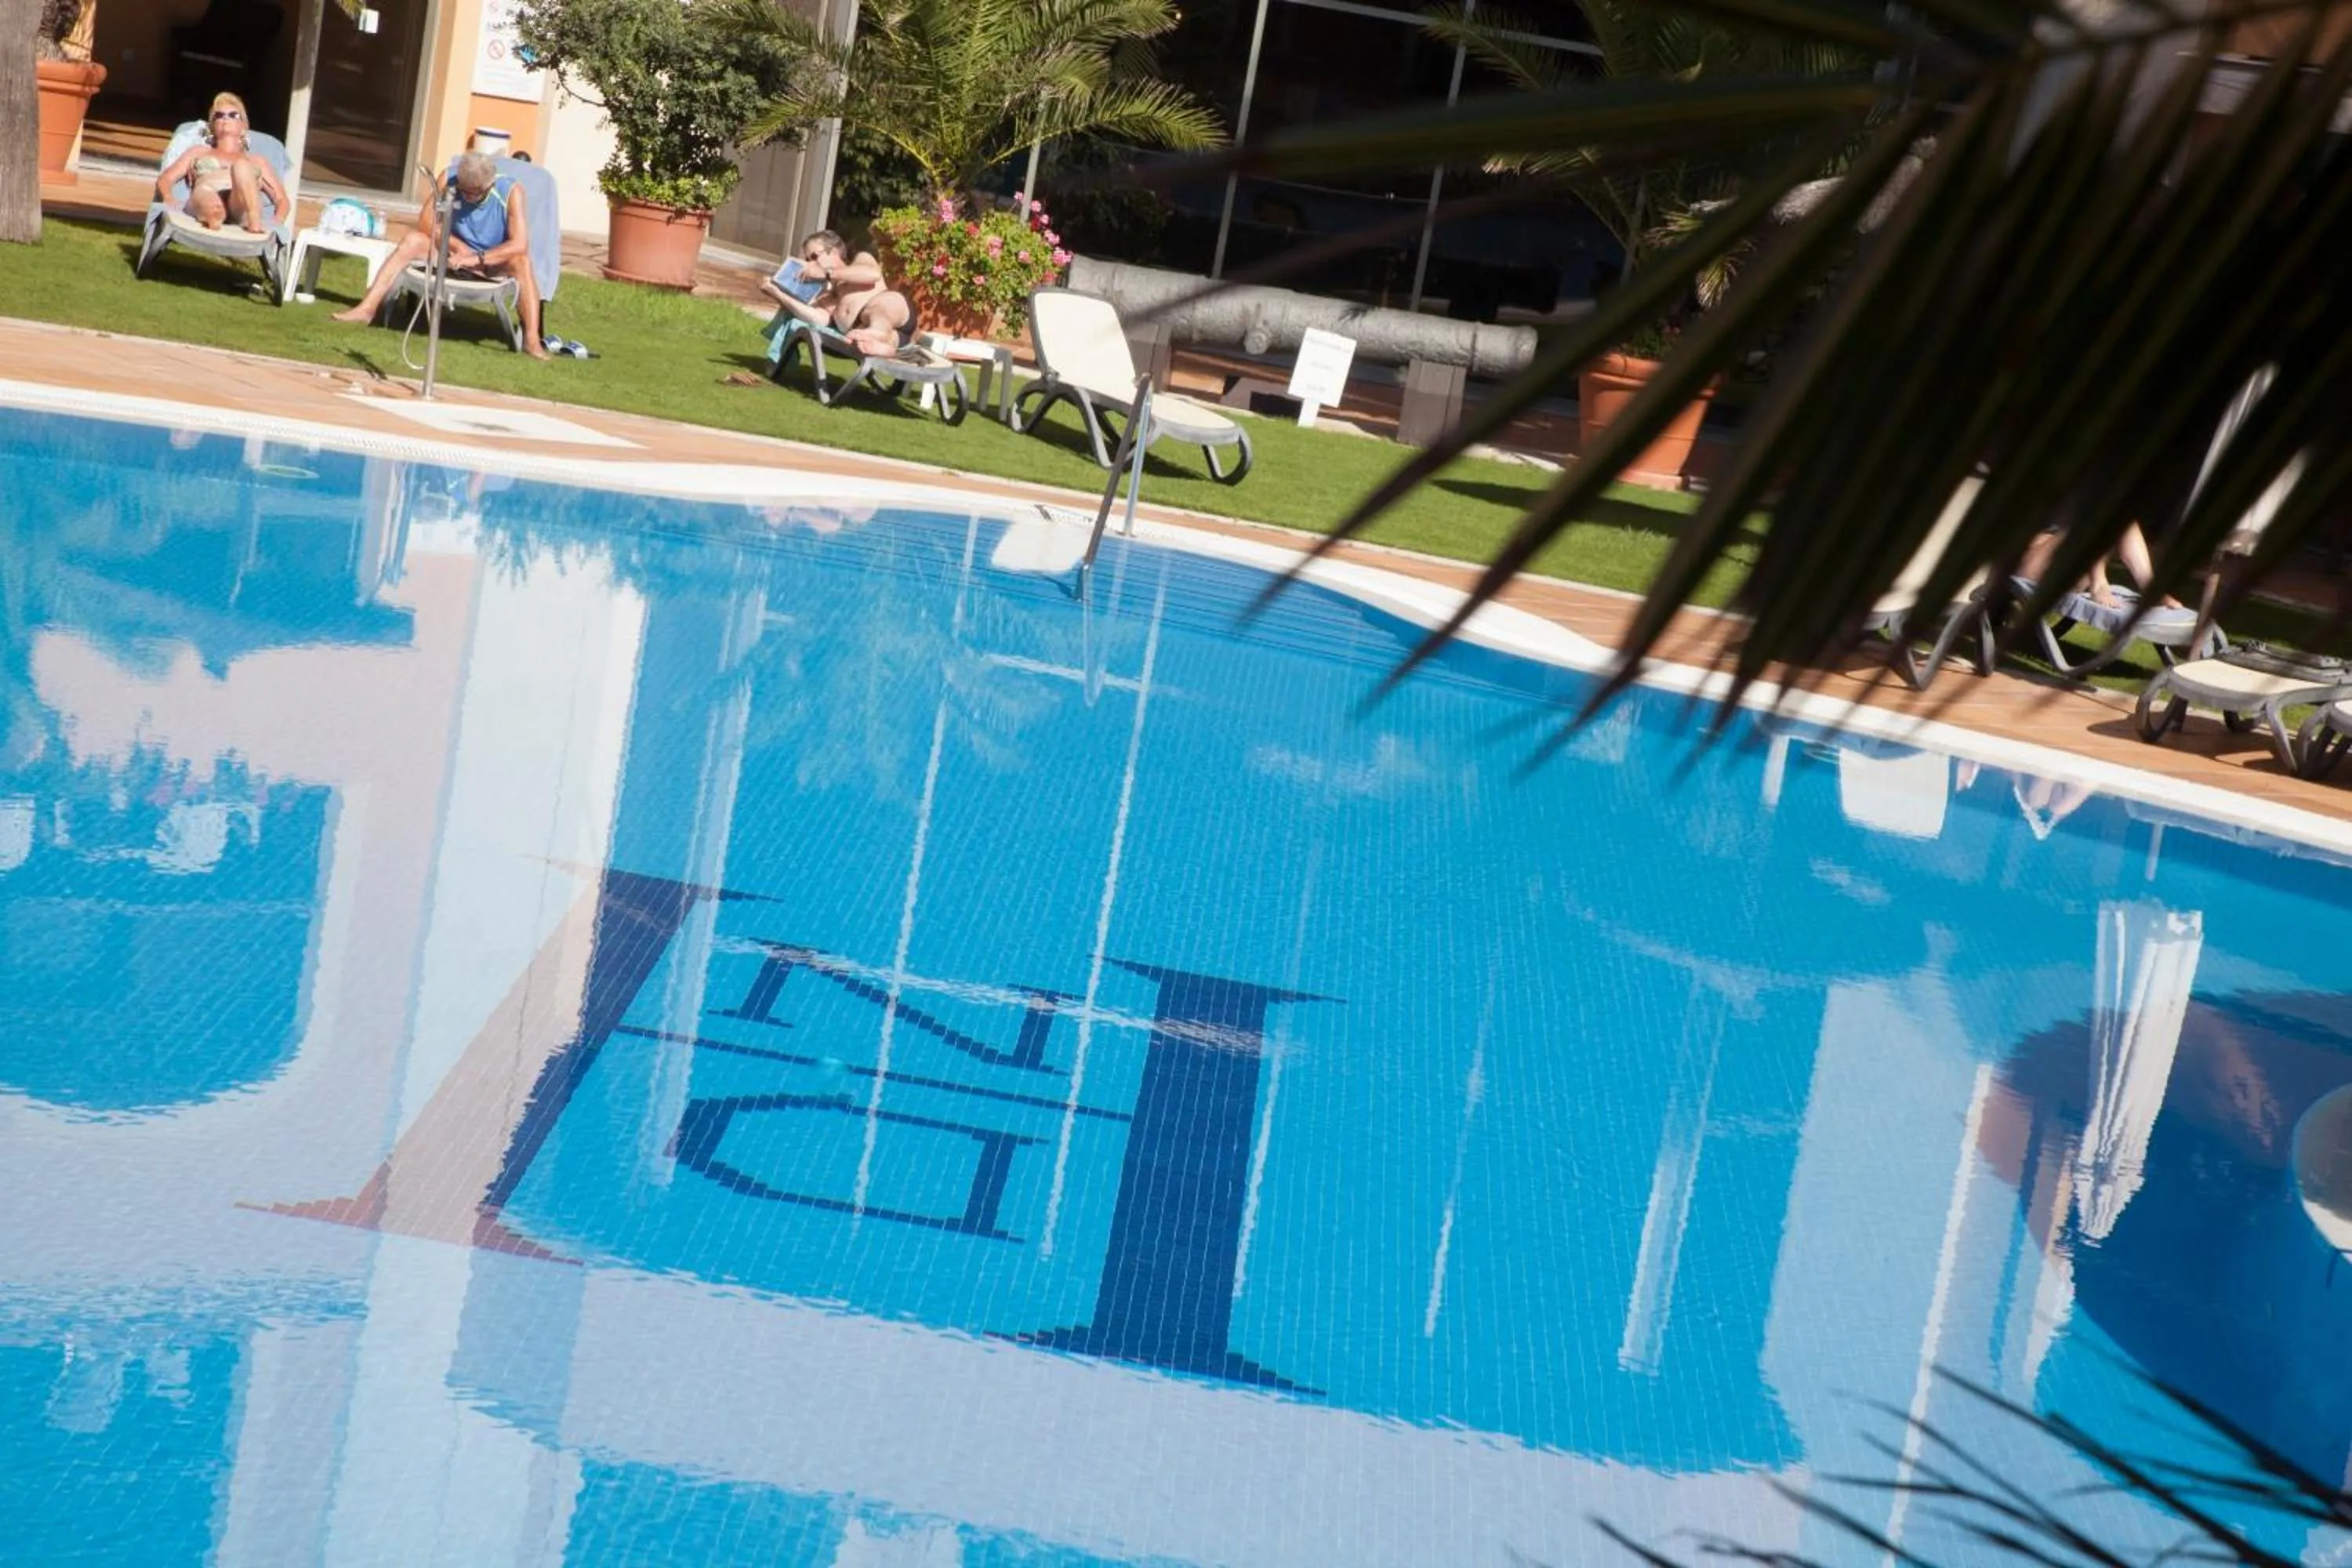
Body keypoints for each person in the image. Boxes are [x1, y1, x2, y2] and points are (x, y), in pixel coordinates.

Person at [333, 150, 549, 359]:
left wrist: (475, 258)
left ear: (489, 185)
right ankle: (367, 309)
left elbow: (520, 244)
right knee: (412, 240)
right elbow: (425, 222)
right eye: (464, 191)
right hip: (451, 252)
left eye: (474, 193)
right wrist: (456, 246)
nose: (467, 197)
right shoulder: (449, 178)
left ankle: (532, 340)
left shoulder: (511, 191)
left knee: (522, 262)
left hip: (490, 260)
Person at [762, 229, 915, 356]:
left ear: (834, 251)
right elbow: (819, 320)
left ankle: (877, 333)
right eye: (808, 260)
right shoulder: (827, 293)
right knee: (860, 334)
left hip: (892, 307)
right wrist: (777, 293)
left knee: (877, 309)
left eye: (815, 256)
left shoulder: (861, 259)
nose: (811, 264)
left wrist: (826, 273)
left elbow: (872, 275)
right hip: (865, 328)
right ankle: (887, 342)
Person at [156, 93, 285, 235]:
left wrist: (276, 221)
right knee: (209, 198)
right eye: (219, 115)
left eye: (233, 115)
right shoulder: (199, 152)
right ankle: (215, 216)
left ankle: (253, 220)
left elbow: (281, 198)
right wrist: (168, 197)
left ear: (243, 126)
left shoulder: (257, 161)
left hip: (242, 200)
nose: (225, 118)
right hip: (207, 190)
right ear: (212, 126)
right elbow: (166, 178)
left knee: (242, 166)